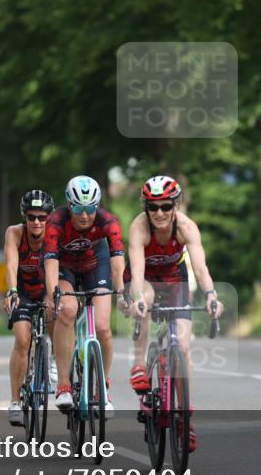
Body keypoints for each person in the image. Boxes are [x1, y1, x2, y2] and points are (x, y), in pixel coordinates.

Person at [119, 175, 222, 452]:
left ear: (175, 206)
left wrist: (211, 295)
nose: (160, 213)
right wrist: (137, 298)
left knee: (185, 346)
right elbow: (137, 272)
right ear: (146, 209)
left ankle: (184, 417)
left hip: (175, 279)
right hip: (146, 278)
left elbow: (200, 269)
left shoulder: (187, 227)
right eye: (153, 207)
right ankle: (139, 365)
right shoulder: (139, 228)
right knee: (147, 298)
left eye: (166, 206)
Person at [44, 175, 125, 416]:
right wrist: (52, 294)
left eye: (90, 209)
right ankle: (63, 385)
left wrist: (120, 289)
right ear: (69, 205)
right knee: (67, 310)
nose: (84, 215)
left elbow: (118, 260)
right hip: (65, 267)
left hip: (95, 265)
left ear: (97, 206)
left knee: (103, 328)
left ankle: (103, 388)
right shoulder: (55, 222)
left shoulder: (108, 221)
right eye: (78, 208)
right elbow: (49, 263)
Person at [3, 189, 55, 426]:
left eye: (42, 217)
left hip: (46, 290)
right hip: (23, 291)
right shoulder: (14, 233)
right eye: (32, 216)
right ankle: (15, 400)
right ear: (24, 216)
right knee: (23, 341)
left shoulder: (56, 235)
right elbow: (11, 264)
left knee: (60, 313)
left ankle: (53, 360)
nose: (37, 222)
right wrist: (12, 291)